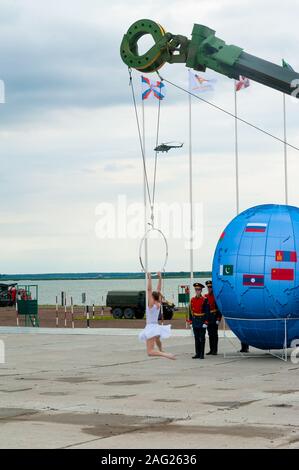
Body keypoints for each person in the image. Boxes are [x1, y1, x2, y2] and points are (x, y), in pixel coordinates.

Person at [139, 272, 175, 360]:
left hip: (151, 327)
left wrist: (149, 278)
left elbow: (149, 290)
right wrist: (160, 277)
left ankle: (166, 355)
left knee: (150, 352)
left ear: (152, 297)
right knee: (157, 339)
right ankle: (161, 350)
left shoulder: (151, 304)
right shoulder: (158, 304)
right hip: (155, 326)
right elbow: (158, 289)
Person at [189, 282, 210, 359]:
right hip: (195, 321)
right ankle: (197, 353)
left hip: (202, 321)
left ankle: (202, 354)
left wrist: (206, 322)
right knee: (196, 338)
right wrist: (190, 321)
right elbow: (191, 311)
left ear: (201, 290)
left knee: (202, 338)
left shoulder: (204, 300)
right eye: (196, 289)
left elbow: (207, 312)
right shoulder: (192, 300)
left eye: (199, 290)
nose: (197, 291)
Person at [205, 280, 222, 355]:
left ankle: (215, 350)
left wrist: (218, 318)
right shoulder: (206, 296)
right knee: (210, 334)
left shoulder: (216, 296)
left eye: (211, 287)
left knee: (215, 334)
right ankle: (211, 349)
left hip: (214, 316)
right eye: (208, 287)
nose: (209, 288)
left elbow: (219, 308)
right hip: (208, 317)